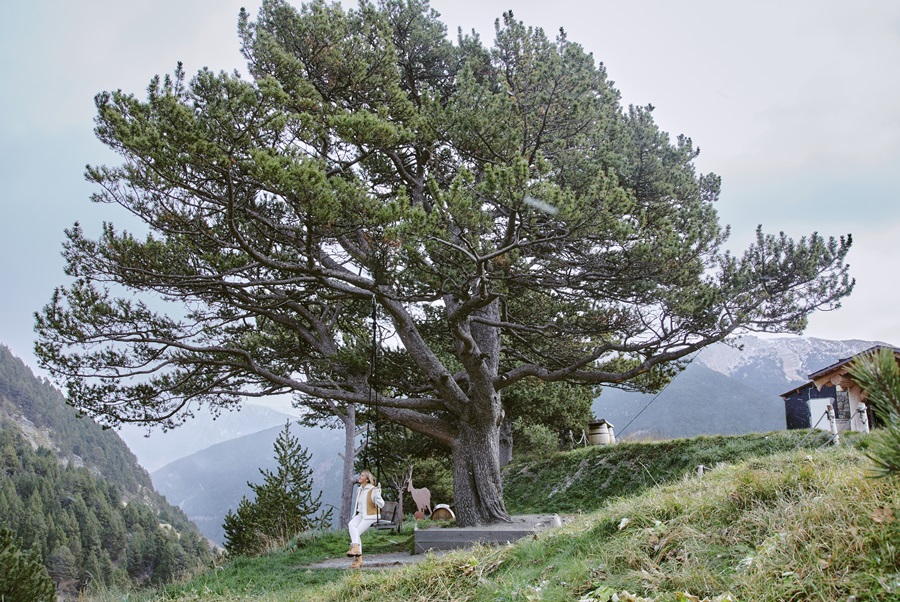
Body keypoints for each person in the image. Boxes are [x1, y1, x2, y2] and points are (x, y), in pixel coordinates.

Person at [346, 469, 385, 569]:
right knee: (351, 525)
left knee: (356, 533)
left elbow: (381, 504)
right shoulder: (359, 489)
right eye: (360, 475)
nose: (360, 477)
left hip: (370, 515)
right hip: (361, 514)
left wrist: (377, 495)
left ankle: (357, 557)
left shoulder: (373, 490)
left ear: (367, 480)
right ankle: (357, 554)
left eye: (362, 476)